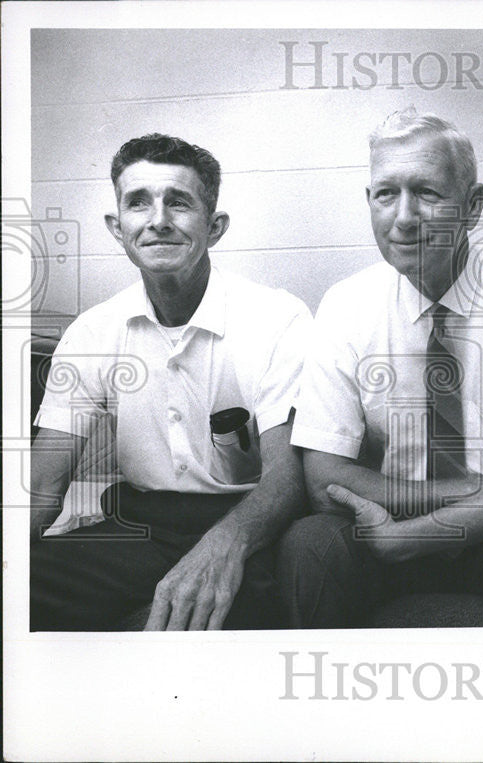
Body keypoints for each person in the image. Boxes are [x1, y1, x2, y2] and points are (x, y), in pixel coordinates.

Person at [279, 109, 483, 627]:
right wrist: (475, 491)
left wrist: (417, 536)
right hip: (389, 529)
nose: (404, 217)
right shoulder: (346, 305)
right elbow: (324, 480)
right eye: (386, 194)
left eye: (427, 193)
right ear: (370, 203)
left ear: (472, 207)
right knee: (310, 542)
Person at [30, 134, 311, 631]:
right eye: (139, 202)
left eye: (178, 202)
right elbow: (43, 488)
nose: (158, 220)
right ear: (118, 227)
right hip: (139, 527)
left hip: (248, 523)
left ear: (215, 226)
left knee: (223, 633)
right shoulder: (93, 331)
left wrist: (224, 548)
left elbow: (285, 483)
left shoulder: (279, 319)